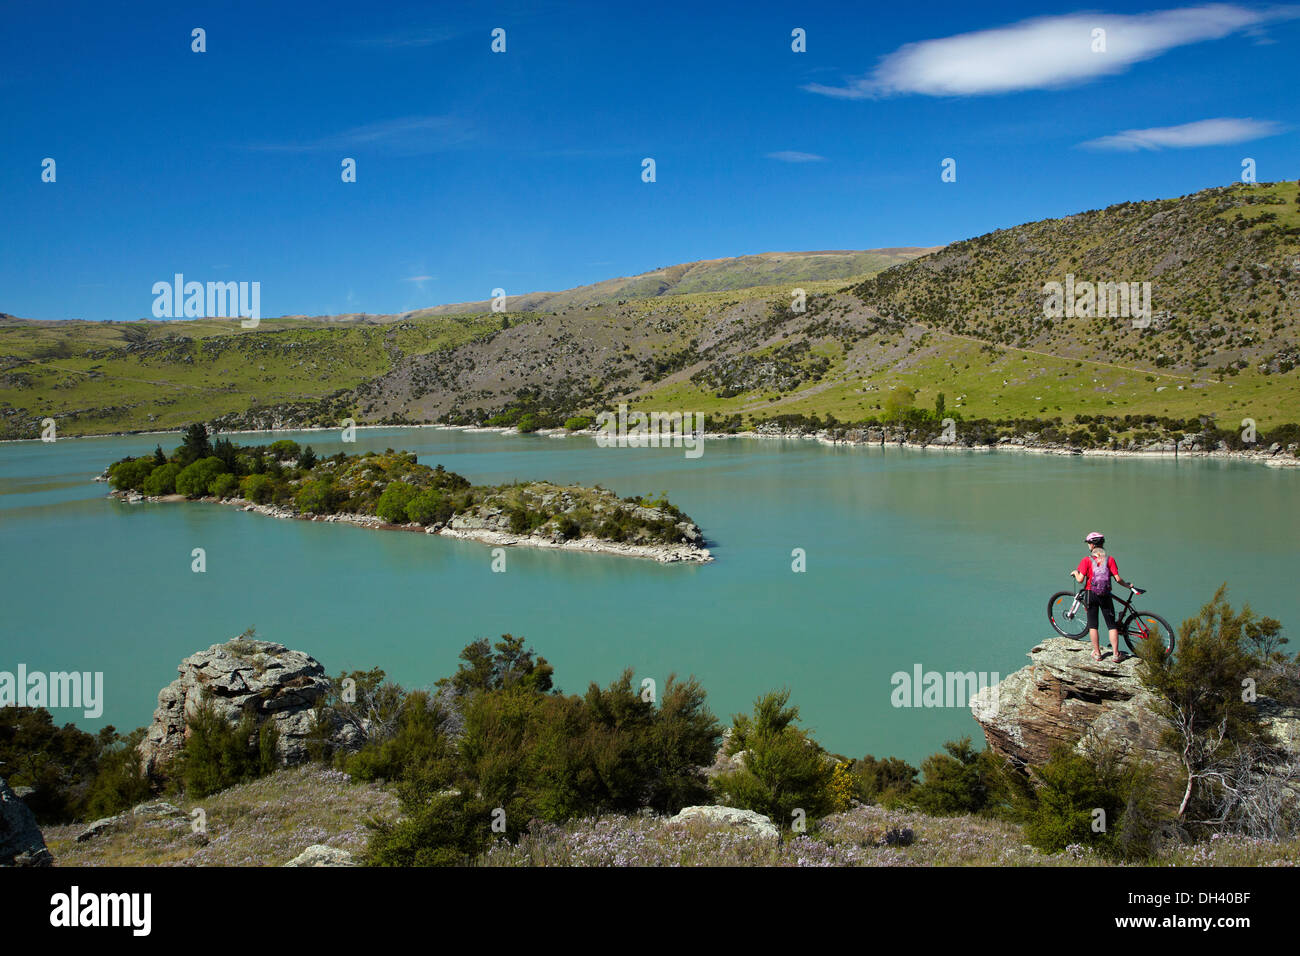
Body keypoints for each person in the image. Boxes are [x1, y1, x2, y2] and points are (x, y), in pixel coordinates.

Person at [1070, 532, 1136, 663]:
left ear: (1092, 545)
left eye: (1089, 543)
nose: (1088, 545)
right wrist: (1128, 586)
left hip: (1090, 594)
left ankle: (1097, 654)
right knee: (1112, 626)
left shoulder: (1086, 560)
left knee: (1093, 625)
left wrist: (1075, 573)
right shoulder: (1110, 560)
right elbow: (1118, 579)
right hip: (1105, 595)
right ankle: (1116, 655)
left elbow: (1080, 580)